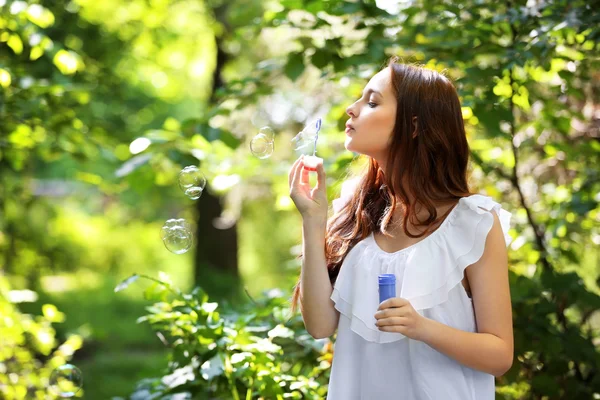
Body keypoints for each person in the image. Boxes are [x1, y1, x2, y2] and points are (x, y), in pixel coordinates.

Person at [287, 57, 514, 400]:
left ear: (414, 126)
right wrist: (312, 219)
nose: (351, 109)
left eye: (372, 102)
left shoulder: (474, 222)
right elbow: (319, 325)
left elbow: (500, 356)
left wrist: (422, 328)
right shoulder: (357, 210)